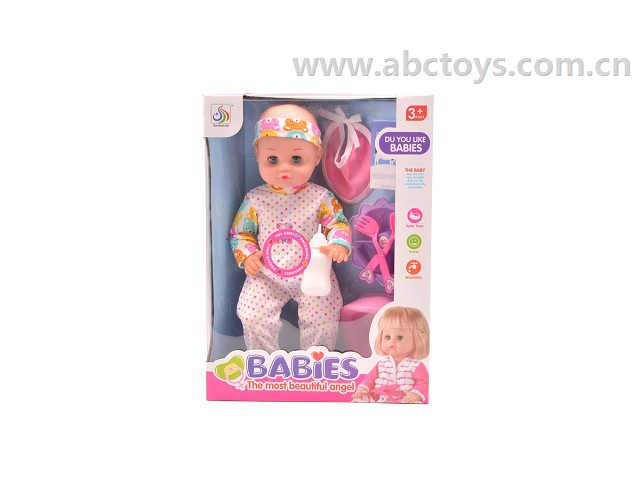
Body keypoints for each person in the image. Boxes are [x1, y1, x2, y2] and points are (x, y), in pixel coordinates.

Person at [230, 104, 351, 352]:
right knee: (251, 314)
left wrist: (338, 243)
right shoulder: (255, 200)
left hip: (313, 271)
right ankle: (264, 359)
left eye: (296, 159)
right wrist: (248, 255)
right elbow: (241, 233)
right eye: (272, 159)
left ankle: (316, 359)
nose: (284, 168)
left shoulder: (321, 198)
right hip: (267, 274)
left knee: (324, 315)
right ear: (258, 154)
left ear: (316, 156)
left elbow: (337, 223)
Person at [352, 306, 430, 403]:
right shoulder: (382, 364)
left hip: (404, 400)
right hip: (380, 398)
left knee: (414, 404)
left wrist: (415, 394)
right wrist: (363, 388)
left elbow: (424, 383)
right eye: (387, 337)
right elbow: (369, 379)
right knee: (363, 398)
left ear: (417, 339)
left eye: (400, 337)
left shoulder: (415, 365)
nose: (392, 341)